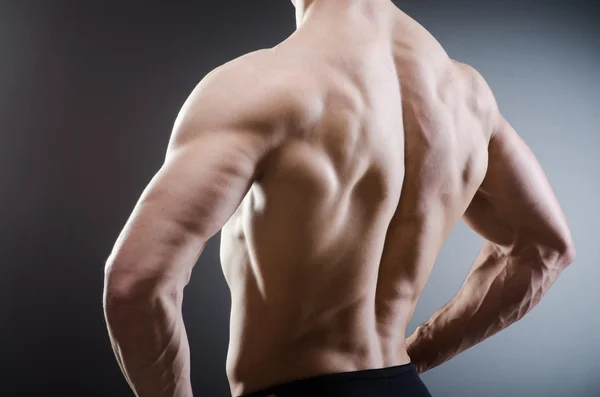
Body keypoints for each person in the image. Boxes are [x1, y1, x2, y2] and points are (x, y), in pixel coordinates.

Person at [102, 0, 576, 396]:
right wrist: (412, 359)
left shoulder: (262, 86)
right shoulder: (467, 95)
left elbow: (135, 284)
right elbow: (547, 249)